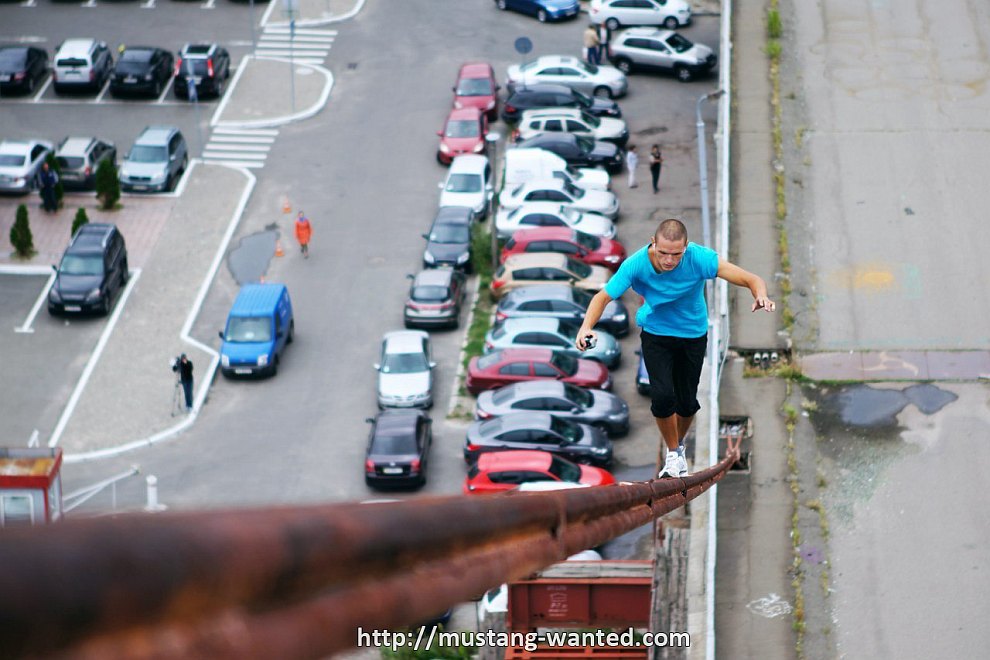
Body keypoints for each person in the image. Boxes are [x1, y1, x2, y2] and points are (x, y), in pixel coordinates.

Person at [574, 219, 775, 479]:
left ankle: (678, 445)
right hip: (656, 333)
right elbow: (602, 297)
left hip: (692, 335)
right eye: (663, 253)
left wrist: (761, 295)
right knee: (662, 397)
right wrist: (586, 327)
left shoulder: (699, 258)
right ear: (653, 243)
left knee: (687, 404)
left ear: (686, 247)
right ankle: (673, 453)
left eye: (676, 254)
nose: (669, 261)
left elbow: (750, 278)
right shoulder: (636, 264)